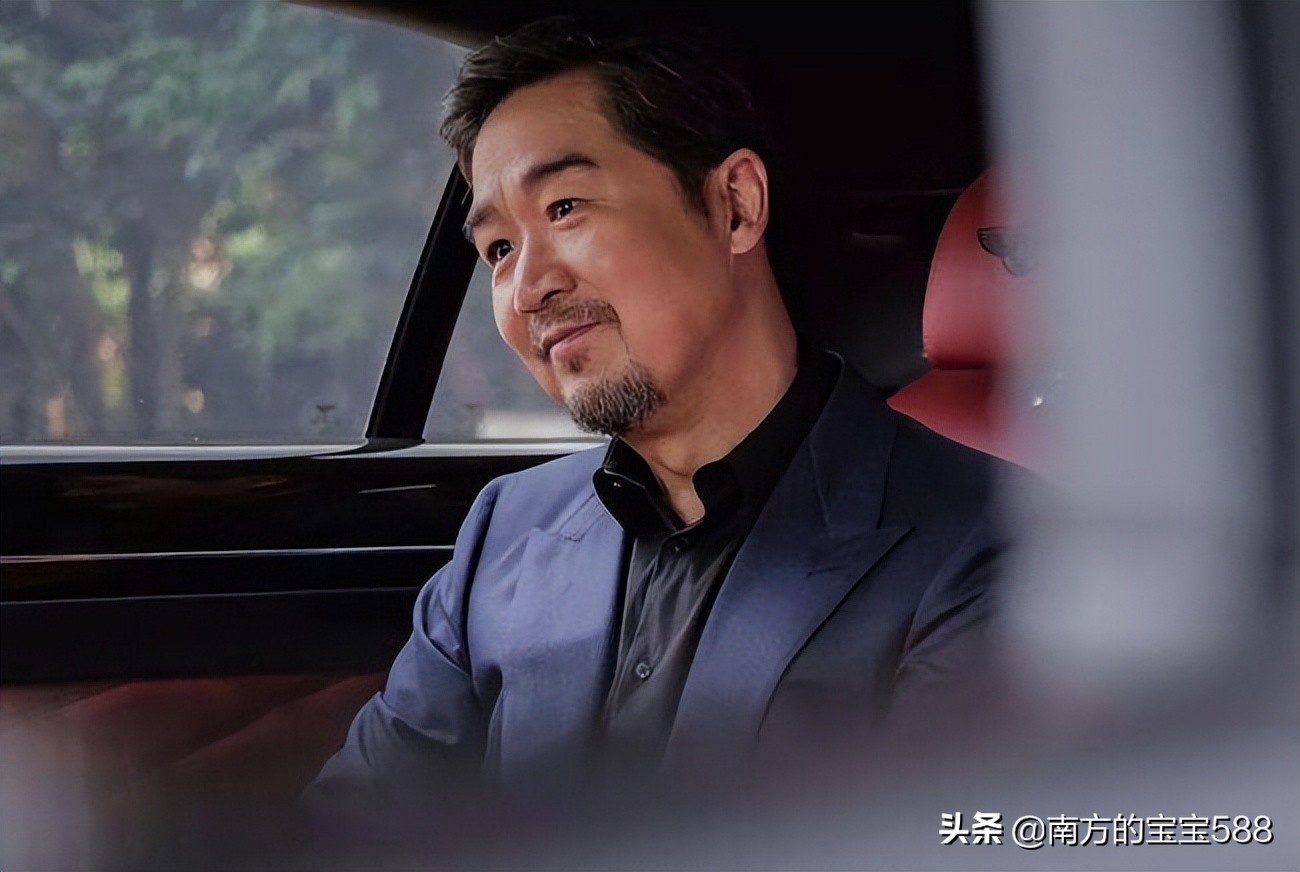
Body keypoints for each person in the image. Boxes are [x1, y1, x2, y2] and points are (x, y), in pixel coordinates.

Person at [303, 15, 1010, 812]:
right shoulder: (504, 533)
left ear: (734, 205)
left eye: (564, 207)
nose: (527, 288)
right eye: (499, 249)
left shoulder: (990, 544)